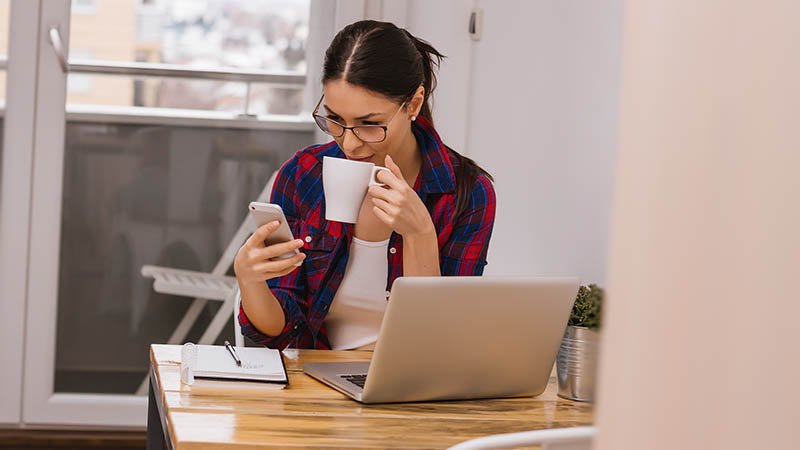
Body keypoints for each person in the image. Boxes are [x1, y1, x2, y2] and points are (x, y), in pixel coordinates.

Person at [234, 20, 496, 350]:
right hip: (314, 385)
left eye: (369, 125)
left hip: (412, 387)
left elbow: (439, 345)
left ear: (413, 104)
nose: (349, 144)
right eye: (336, 120)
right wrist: (250, 280)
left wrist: (419, 235)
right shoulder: (303, 175)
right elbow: (280, 331)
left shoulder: (468, 194)